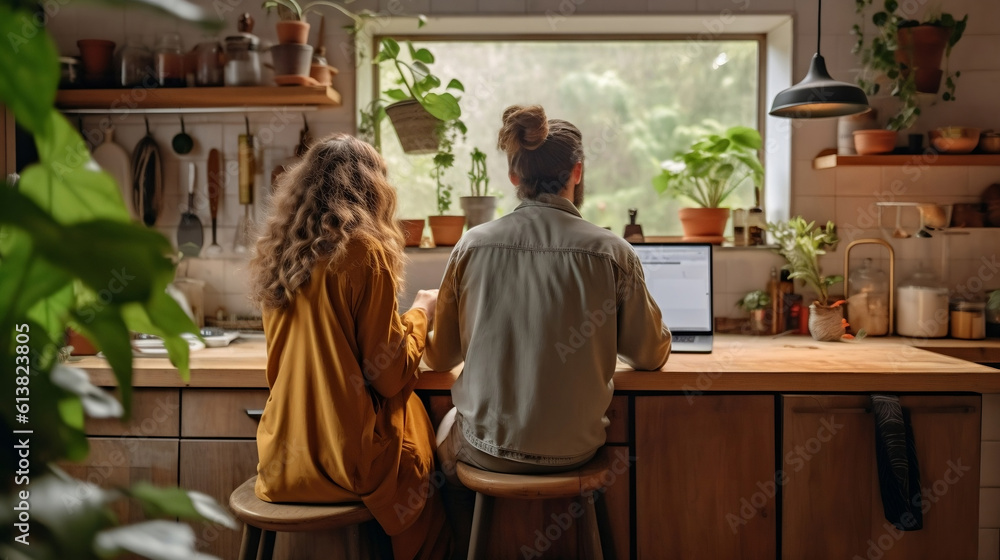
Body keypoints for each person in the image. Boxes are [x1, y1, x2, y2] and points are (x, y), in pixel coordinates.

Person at [426, 105, 672, 550]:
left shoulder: (471, 245)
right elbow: (650, 355)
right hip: (577, 452)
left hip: (485, 452)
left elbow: (440, 357)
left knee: (436, 439)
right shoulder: (612, 251)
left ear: (513, 175)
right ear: (576, 172)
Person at [248, 133, 450, 560]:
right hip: (346, 463)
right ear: (374, 189)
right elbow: (389, 373)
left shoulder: (280, 256)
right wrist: (420, 314)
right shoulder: (365, 251)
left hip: (280, 461)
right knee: (417, 422)